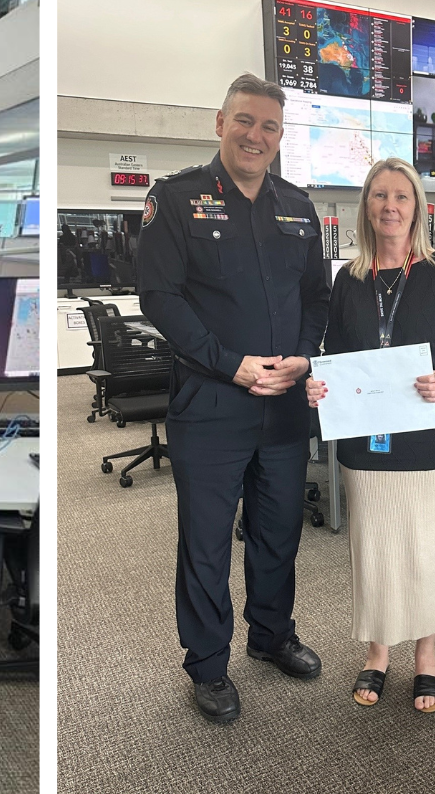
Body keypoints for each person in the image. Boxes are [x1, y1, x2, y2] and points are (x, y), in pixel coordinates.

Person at [134, 73, 330, 724]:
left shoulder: (298, 207)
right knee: (208, 542)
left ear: (280, 136)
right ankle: (209, 665)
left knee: (278, 533)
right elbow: (159, 296)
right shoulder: (179, 198)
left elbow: (316, 297)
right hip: (212, 403)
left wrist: (303, 355)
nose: (256, 135)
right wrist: (230, 365)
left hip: (283, 406)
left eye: (269, 126)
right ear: (221, 123)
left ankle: (272, 636)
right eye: (245, 121)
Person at [303, 158, 435, 712]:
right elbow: (333, 355)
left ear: (417, 207)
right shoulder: (348, 280)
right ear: (367, 207)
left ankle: (426, 655)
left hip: (427, 439)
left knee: (423, 548)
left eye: (401, 196)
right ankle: (378, 652)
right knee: (372, 548)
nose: (390, 206)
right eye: (379, 196)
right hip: (366, 441)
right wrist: (319, 385)